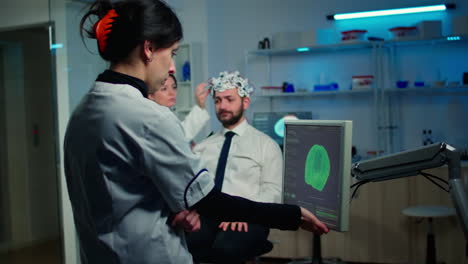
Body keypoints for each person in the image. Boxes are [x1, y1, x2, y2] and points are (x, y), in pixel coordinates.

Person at [64, 1, 329, 264]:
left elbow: (125, 189)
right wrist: (292, 216)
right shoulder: (149, 116)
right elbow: (208, 201)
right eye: (173, 53)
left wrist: (184, 207)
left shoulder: (82, 113)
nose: (171, 68)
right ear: (148, 49)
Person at [186, 71, 283, 263]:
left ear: (245, 102)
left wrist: (246, 213)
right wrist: (193, 210)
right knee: (185, 243)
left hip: (250, 216)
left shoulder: (266, 145)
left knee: (226, 249)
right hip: (209, 215)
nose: (222, 106)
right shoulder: (205, 146)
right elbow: (194, 185)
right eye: (218, 100)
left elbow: (273, 190)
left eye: (229, 99)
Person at [148, 73, 211, 141]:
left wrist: (200, 105)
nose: (171, 93)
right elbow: (180, 137)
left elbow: (181, 133)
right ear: (151, 95)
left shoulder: (167, 116)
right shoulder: (153, 121)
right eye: (164, 89)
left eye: (174, 87)